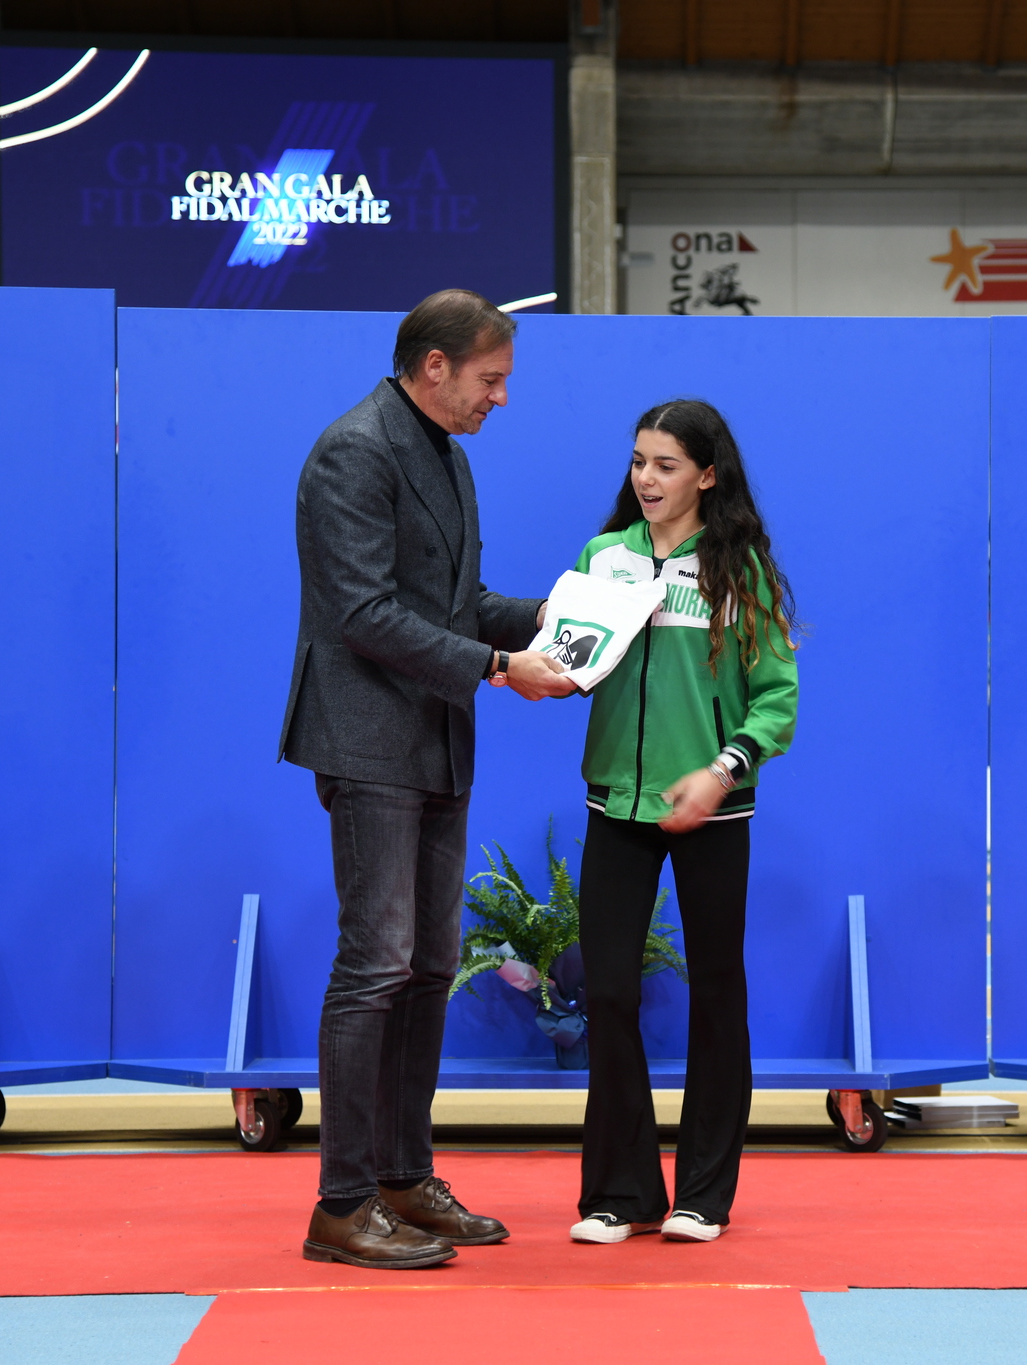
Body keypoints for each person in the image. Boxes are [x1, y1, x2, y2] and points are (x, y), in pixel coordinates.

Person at [279, 289, 575, 1271]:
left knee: (429, 967)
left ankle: (404, 1177)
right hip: (368, 742)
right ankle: (341, 1203)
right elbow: (361, 613)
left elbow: (460, 603)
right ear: (434, 365)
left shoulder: (445, 452)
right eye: (491, 379)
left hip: (435, 741)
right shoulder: (352, 452)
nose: (501, 398)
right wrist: (499, 667)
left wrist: (569, 616)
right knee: (375, 967)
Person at [564, 399, 800, 1245]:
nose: (647, 478)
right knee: (609, 992)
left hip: (714, 809)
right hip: (616, 804)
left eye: (666, 464)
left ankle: (704, 1192)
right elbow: (571, 658)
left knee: (717, 991)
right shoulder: (604, 558)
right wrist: (539, 669)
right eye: (638, 461)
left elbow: (777, 698)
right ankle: (622, 1192)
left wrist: (721, 768)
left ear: (707, 474)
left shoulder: (741, 570)